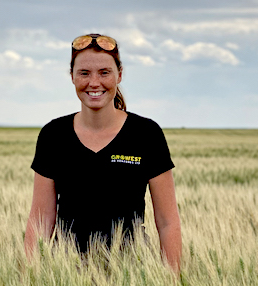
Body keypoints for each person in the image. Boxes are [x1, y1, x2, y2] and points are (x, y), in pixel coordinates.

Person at [24, 34, 181, 272]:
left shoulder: (146, 133)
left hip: (132, 271)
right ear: (72, 76)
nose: (94, 83)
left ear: (119, 74)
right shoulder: (53, 135)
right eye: (84, 73)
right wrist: (29, 276)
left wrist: (172, 278)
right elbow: (40, 222)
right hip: (67, 272)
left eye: (104, 72)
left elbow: (168, 221)